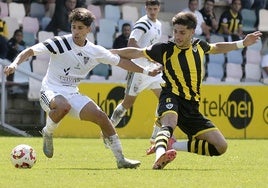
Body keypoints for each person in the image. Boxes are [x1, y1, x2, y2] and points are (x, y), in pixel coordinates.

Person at [4, 7, 162, 169]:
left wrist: (146, 71)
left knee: (102, 116)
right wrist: (15, 64)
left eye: (80, 28)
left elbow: (122, 62)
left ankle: (121, 159)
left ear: (88, 29)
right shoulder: (61, 42)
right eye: (74, 27)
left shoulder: (95, 51)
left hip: (72, 92)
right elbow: (30, 51)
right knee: (63, 106)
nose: (76, 32)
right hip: (50, 90)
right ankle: (48, 132)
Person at [110, 12, 262, 169]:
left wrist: (242, 43)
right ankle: (160, 153)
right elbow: (137, 52)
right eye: (175, 31)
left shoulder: (199, 46)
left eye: (182, 32)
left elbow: (216, 47)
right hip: (171, 96)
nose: (177, 36)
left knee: (220, 146)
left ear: (192, 32)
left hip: (191, 107)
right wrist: (112, 52)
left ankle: (172, 146)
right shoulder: (165, 49)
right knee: (169, 123)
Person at [110, 0, 163, 145]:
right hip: (139, 70)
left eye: (155, 8)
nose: (152, 11)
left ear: (159, 8)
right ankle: (107, 129)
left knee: (165, 98)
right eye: (150, 8)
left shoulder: (158, 24)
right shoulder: (143, 23)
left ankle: (155, 136)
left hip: (153, 69)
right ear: (145, 8)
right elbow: (131, 43)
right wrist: (147, 56)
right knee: (127, 103)